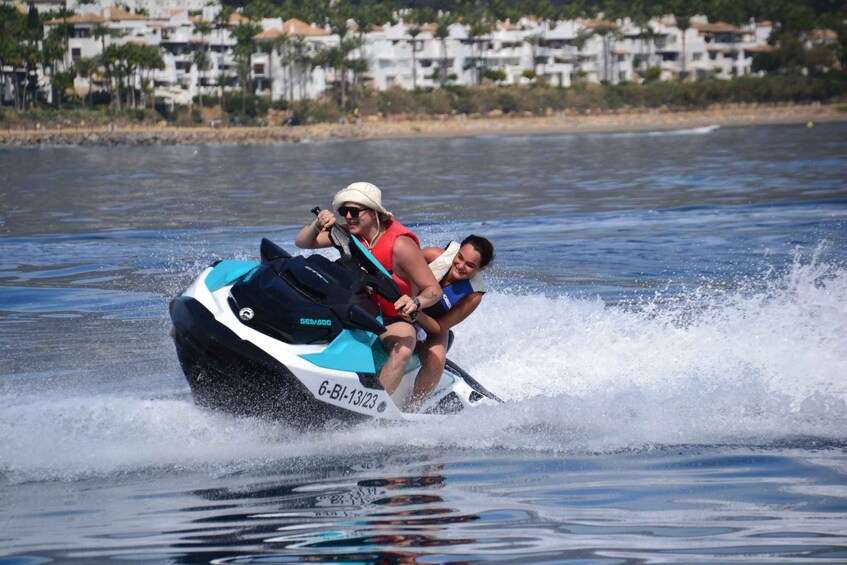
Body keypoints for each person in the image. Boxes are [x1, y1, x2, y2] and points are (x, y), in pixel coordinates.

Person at [295, 182, 443, 396]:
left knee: (402, 351)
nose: (347, 217)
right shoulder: (346, 233)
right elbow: (303, 243)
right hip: (357, 308)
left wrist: (416, 302)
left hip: (393, 318)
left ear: (374, 213)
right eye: (344, 211)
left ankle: (375, 406)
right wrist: (317, 224)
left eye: (354, 211)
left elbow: (433, 290)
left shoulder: (401, 245)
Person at [401, 235, 495, 412]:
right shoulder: (432, 256)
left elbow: (440, 326)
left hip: (431, 325)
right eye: (460, 257)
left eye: (470, 265)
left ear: (480, 269)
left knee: (436, 361)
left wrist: (416, 314)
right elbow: (397, 269)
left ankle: (412, 409)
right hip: (401, 306)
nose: (460, 266)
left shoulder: (472, 296)